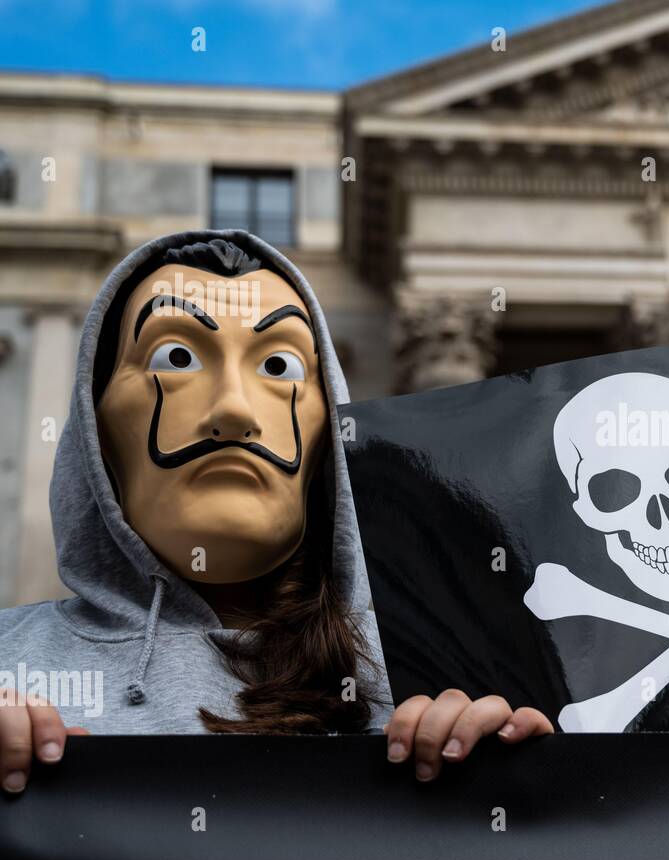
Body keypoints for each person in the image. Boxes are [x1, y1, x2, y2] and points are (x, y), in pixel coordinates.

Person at [0, 231, 553, 795]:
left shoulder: (436, 677)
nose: (235, 410)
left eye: (280, 366)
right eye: (177, 358)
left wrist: (527, 776)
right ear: (96, 433)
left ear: (328, 436)